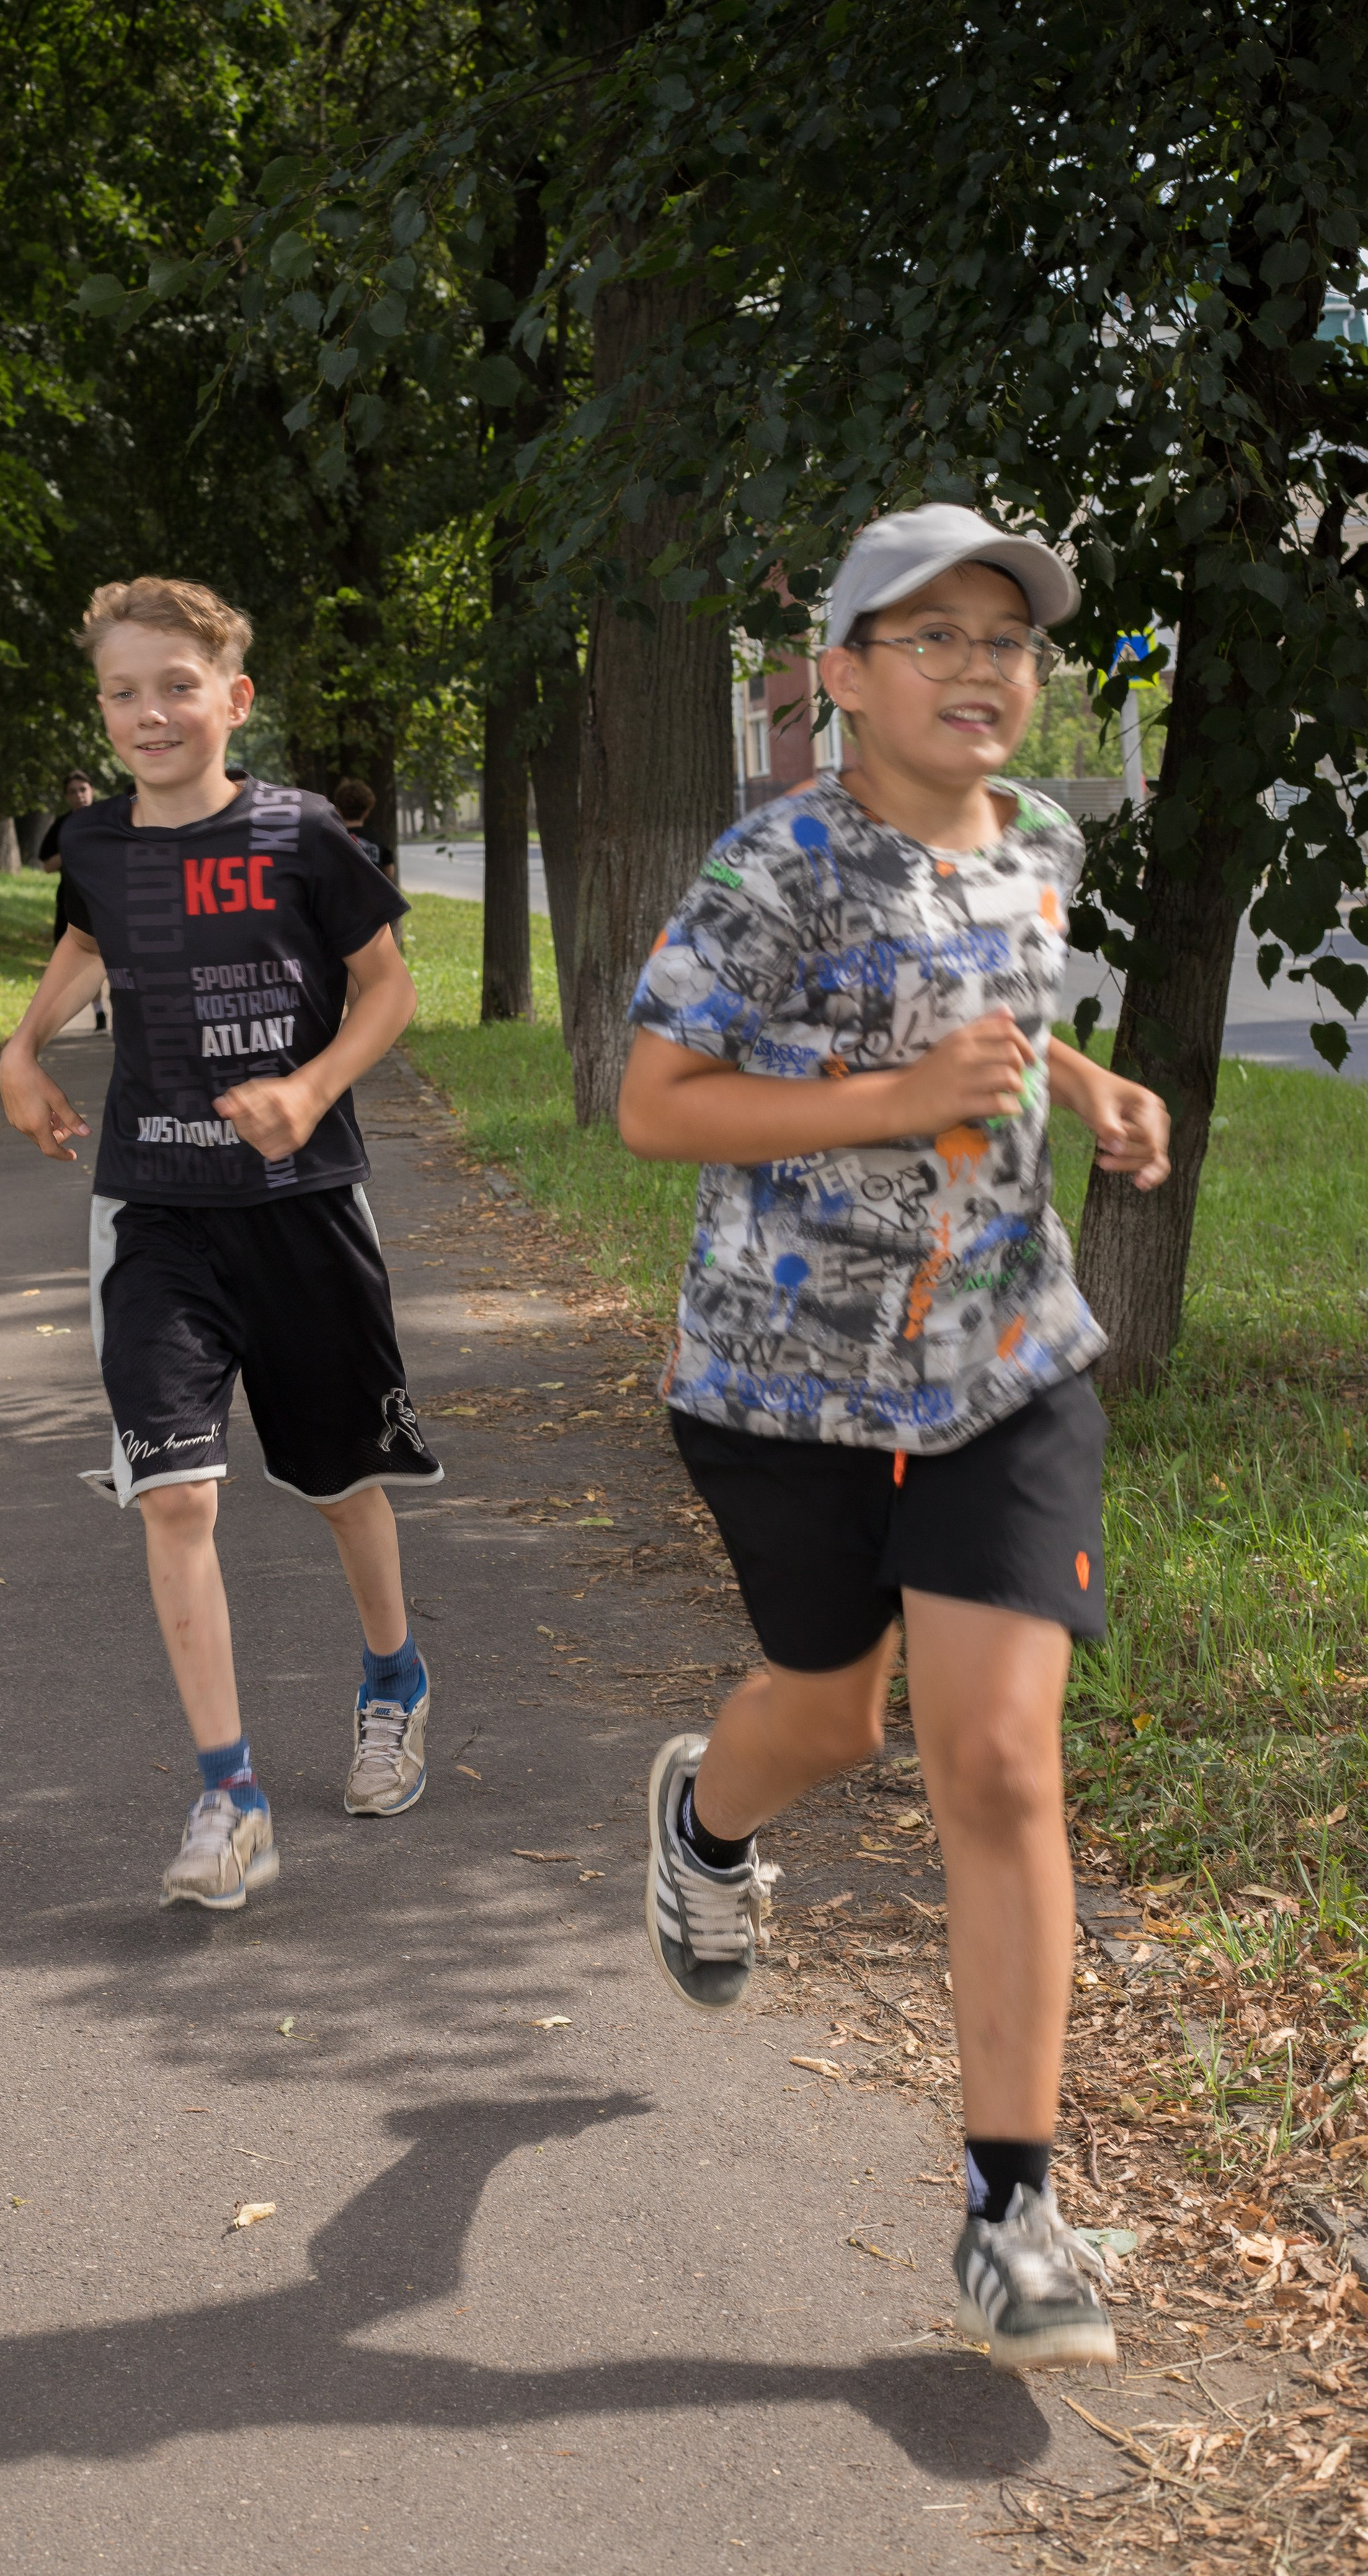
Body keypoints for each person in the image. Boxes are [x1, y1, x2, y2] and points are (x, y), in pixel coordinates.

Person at [619, 504, 1171, 2373]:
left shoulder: (1047, 845)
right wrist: (897, 1096)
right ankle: (705, 1820)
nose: (975, 668)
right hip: (784, 1377)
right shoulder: (772, 870)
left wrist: (1086, 1083)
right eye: (924, 636)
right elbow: (655, 1104)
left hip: (1009, 1362)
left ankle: (1012, 2210)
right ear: (839, 678)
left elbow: (993, 1012)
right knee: (831, 1715)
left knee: (1000, 1764)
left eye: (1004, 638)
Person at [0, 576, 442, 1912]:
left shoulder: (306, 838)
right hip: (155, 1214)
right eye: (124, 692)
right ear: (103, 708)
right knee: (176, 1494)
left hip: (304, 1209)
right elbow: (87, 947)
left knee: (336, 1479)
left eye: (176, 688)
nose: (150, 713)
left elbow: (389, 988)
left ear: (232, 700)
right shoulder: (92, 844)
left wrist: (307, 1091)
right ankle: (229, 1795)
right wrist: (21, 1049)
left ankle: (391, 1679)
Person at [40, 771, 107, 1029]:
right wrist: (71, 849)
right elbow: (47, 865)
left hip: (106, 901)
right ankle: (98, 1011)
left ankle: (115, 1012)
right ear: (66, 797)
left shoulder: (107, 819)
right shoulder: (62, 826)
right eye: (73, 791)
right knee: (81, 960)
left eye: (83, 789)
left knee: (108, 959)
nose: (79, 795)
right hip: (71, 903)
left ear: (91, 791)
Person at [333, 775, 387, 869]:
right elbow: (389, 871)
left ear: (338, 810)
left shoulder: (333, 838)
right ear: (367, 812)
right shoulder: (376, 838)